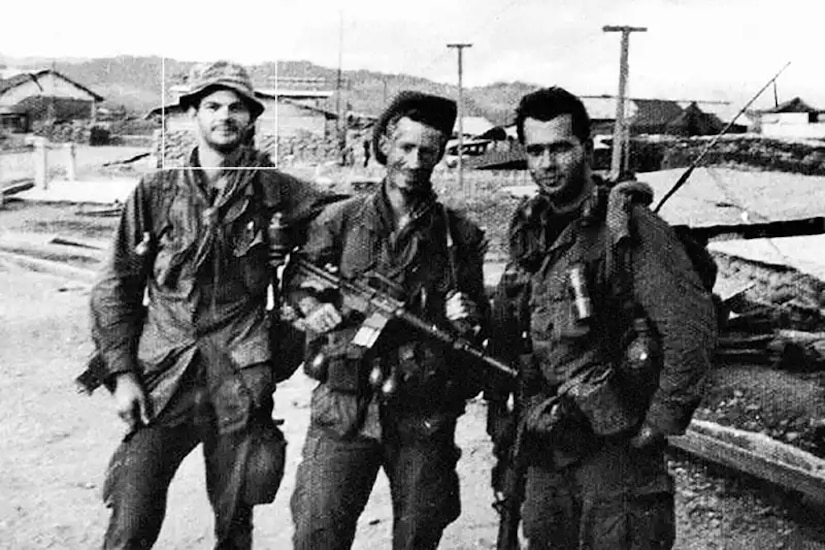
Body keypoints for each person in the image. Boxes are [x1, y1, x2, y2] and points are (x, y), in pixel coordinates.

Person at [89, 60, 326, 550]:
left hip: (238, 378)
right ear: (192, 114)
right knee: (130, 519)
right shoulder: (155, 192)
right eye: (213, 106)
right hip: (164, 375)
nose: (225, 117)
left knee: (235, 520)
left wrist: (301, 268)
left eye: (237, 107)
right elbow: (116, 285)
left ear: (251, 117)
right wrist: (122, 376)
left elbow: (343, 221)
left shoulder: (275, 190)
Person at [488, 87, 717, 549]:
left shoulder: (627, 228)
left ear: (587, 148)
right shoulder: (530, 230)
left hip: (616, 448)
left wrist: (661, 419)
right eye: (536, 151)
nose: (548, 164)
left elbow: (690, 326)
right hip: (548, 440)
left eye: (560, 148)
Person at [287, 91, 489, 550]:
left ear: (440, 155)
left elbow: (479, 323)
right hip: (343, 408)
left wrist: (468, 317)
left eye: (428, 151)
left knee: (418, 534)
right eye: (406, 147)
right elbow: (298, 282)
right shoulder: (338, 221)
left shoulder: (459, 237)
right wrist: (310, 307)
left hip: (422, 414)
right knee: (318, 532)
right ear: (384, 146)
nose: (416, 161)